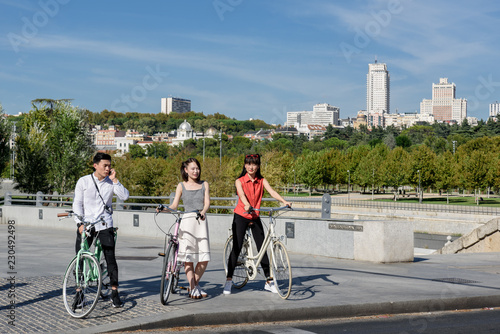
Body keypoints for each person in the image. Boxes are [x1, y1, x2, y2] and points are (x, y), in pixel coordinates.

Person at [224, 154, 291, 295]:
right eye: (248, 164)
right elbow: (241, 195)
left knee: (262, 248)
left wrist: (284, 201)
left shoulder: (262, 180)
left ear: (258, 166)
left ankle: (269, 281)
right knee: (236, 247)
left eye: (254, 164)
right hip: (241, 215)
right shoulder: (239, 181)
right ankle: (229, 280)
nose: (251, 167)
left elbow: (272, 191)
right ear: (244, 165)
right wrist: (247, 204)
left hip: (255, 215)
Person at [72, 152, 130, 309]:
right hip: (87, 225)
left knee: (110, 258)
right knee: (80, 257)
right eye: (105, 165)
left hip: (105, 225)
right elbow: (77, 204)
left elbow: (125, 196)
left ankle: (114, 292)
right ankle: (79, 294)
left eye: (109, 165)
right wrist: (79, 224)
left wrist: (115, 181)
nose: (108, 168)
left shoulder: (111, 182)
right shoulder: (83, 181)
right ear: (95, 165)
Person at [168, 158, 211, 299]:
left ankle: (193, 286)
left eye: (197, 168)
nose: (196, 171)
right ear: (186, 170)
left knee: (204, 257)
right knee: (188, 257)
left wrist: (203, 211)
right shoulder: (181, 185)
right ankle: (194, 287)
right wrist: (164, 209)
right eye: (192, 168)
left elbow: (207, 203)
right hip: (187, 221)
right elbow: (174, 205)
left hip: (200, 220)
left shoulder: (204, 184)